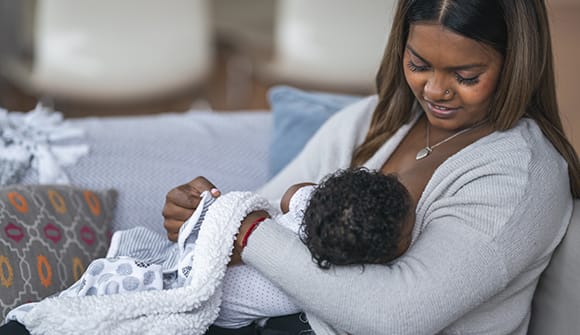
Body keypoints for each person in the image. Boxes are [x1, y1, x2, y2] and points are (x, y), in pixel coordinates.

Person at [162, 0, 580, 334]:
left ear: (516, 65)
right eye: (418, 65)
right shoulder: (373, 121)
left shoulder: (520, 176)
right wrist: (206, 216)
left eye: (466, 75)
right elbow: (270, 204)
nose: (435, 90)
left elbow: (396, 315)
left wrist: (247, 231)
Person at [0, 168, 414, 335]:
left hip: (194, 291)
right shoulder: (303, 287)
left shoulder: (308, 236)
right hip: (196, 282)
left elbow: (292, 195)